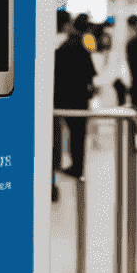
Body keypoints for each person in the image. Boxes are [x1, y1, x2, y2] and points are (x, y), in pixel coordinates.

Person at [54, 10, 97, 189]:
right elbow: (91, 72)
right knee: (78, 135)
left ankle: (65, 169)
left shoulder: (63, 46)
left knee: (60, 136)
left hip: (62, 98)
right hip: (79, 97)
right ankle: (77, 167)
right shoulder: (82, 43)